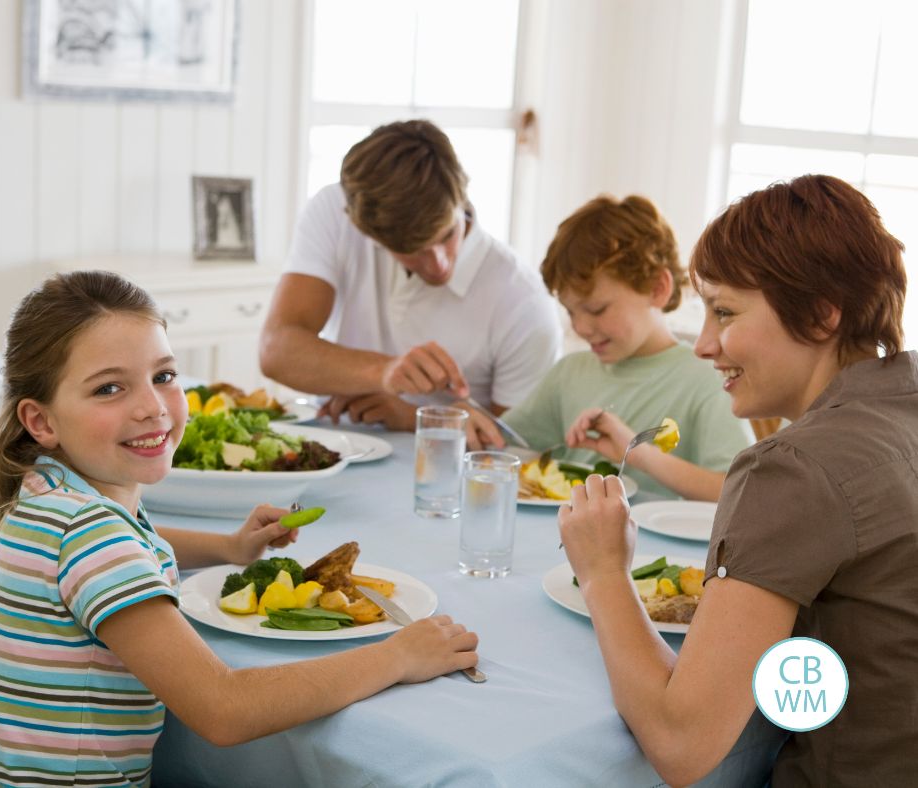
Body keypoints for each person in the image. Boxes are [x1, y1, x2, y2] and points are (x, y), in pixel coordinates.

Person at [0, 271, 479, 787]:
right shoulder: (91, 535)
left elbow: (128, 547)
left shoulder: (51, 496)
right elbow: (224, 708)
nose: (152, 407)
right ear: (41, 422)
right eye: (109, 388)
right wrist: (396, 656)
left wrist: (228, 547)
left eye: (165, 376)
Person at [559, 175, 917, 786]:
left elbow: (680, 745)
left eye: (724, 312)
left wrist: (601, 572)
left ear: (821, 314)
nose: (701, 345)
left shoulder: (792, 467)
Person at [259, 119, 561, 432]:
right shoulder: (332, 212)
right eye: (414, 251)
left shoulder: (524, 303)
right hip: (337, 446)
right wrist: (385, 372)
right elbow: (276, 351)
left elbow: (518, 450)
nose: (439, 264)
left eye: (447, 235)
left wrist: (414, 419)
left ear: (462, 198)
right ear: (368, 234)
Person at [487, 194, 752, 501]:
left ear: (657, 289)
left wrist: (638, 453)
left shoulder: (709, 379)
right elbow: (499, 448)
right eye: (571, 312)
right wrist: (471, 421)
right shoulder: (569, 373)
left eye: (597, 310)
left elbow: (738, 492)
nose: (581, 327)